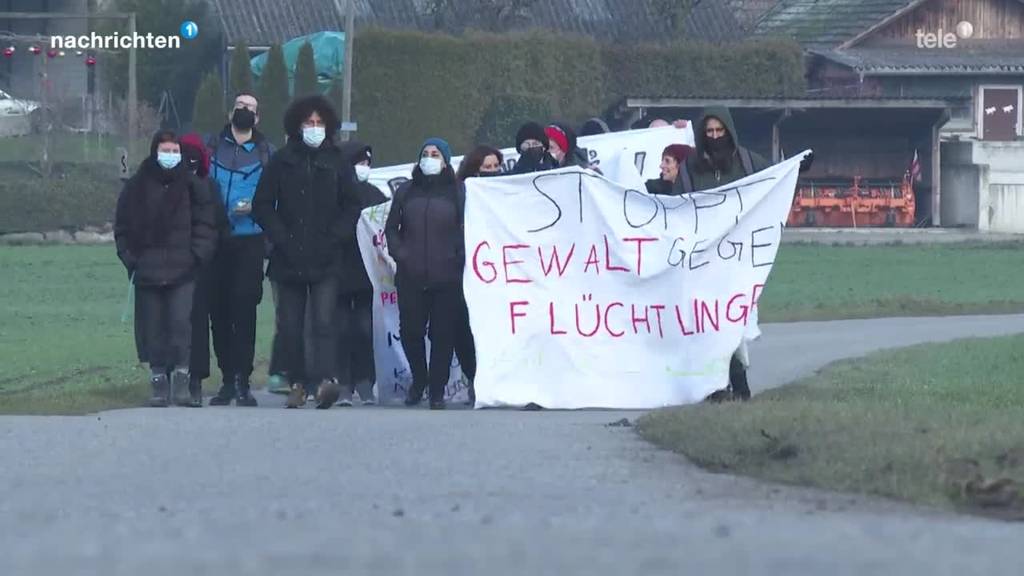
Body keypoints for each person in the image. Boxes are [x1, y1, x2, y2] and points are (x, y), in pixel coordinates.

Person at [253, 95, 357, 409]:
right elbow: (262, 205)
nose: (314, 128)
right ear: (297, 126)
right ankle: (297, 382)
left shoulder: (338, 161)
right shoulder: (282, 161)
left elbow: (352, 205)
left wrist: (335, 236)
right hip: (288, 257)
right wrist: (281, 238)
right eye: (309, 123)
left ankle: (325, 380)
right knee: (291, 326)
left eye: (319, 123)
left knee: (324, 323)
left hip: (326, 256)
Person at [114, 130, 217, 407]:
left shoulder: (193, 186)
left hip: (183, 269)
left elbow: (206, 225)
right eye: (165, 150)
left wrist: (197, 255)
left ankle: (182, 383)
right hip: (147, 270)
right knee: (153, 328)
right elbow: (122, 227)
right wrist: (130, 258)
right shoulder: (136, 187)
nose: (170, 156)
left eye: (174, 151)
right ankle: (158, 384)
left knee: (181, 325)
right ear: (154, 151)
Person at [203, 92, 274, 407]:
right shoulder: (211, 148)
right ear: (230, 112)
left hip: (250, 240)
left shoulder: (266, 153)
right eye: (240, 106)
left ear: (258, 118)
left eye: (251, 108)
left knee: (244, 311)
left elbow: (275, 197)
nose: (244, 111)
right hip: (216, 241)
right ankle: (226, 379)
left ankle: (244, 381)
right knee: (218, 312)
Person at [385, 138, 465, 410]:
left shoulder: (458, 192)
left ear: (445, 161)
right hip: (411, 276)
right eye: (426, 153)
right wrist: (401, 254)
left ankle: (437, 390)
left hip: (447, 277)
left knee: (443, 335)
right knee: (410, 332)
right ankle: (419, 380)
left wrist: (458, 257)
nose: (429, 158)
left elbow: (467, 229)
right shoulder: (406, 191)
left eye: (435, 154)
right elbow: (391, 228)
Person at [334, 140, 387, 406]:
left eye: (368, 163)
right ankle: (344, 382)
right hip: (339, 271)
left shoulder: (376, 195)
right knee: (341, 329)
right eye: (359, 163)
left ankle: (366, 380)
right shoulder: (332, 194)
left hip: (367, 275)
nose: (364, 168)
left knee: (365, 329)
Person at [179, 133, 229, 407]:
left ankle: (195, 378)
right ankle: (171, 376)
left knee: (198, 323)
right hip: (173, 262)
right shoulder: (168, 187)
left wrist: (205, 253)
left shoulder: (210, 188)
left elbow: (218, 224)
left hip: (202, 265)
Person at [452, 144, 504, 405]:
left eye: (496, 167)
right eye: (487, 168)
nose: (493, 172)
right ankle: (473, 377)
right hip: (465, 271)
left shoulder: (508, 194)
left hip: (499, 275)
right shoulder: (459, 194)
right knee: (465, 329)